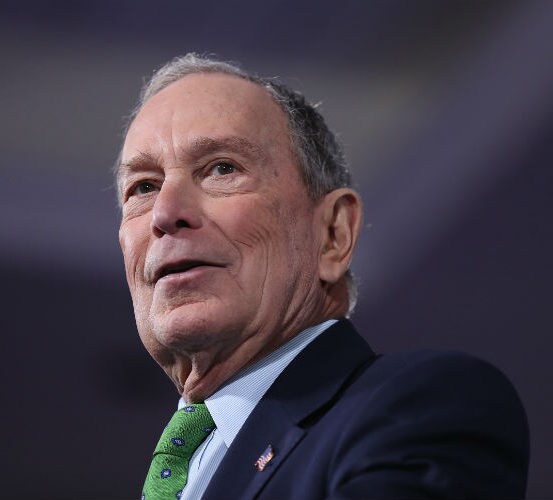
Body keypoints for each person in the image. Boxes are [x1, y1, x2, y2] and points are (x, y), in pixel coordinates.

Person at [116, 53, 529, 499]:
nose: (165, 213)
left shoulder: (420, 407)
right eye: (144, 187)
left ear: (333, 234)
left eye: (222, 168)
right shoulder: (188, 469)